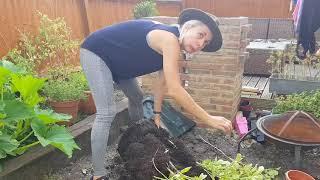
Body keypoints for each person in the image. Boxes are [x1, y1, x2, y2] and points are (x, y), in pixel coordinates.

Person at [80, 8, 233, 180]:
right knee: (106, 112)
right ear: (188, 27)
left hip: (118, 64)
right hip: (97, 52)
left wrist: (157, 114)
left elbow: (161, 84)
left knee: (137, 97)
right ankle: (98, 174)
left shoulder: (174, 45)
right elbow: (175, 90)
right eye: (200, 35)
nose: (200, 44)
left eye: (205, 42)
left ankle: (136, 136)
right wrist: (209, 118)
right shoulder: (169, 40)